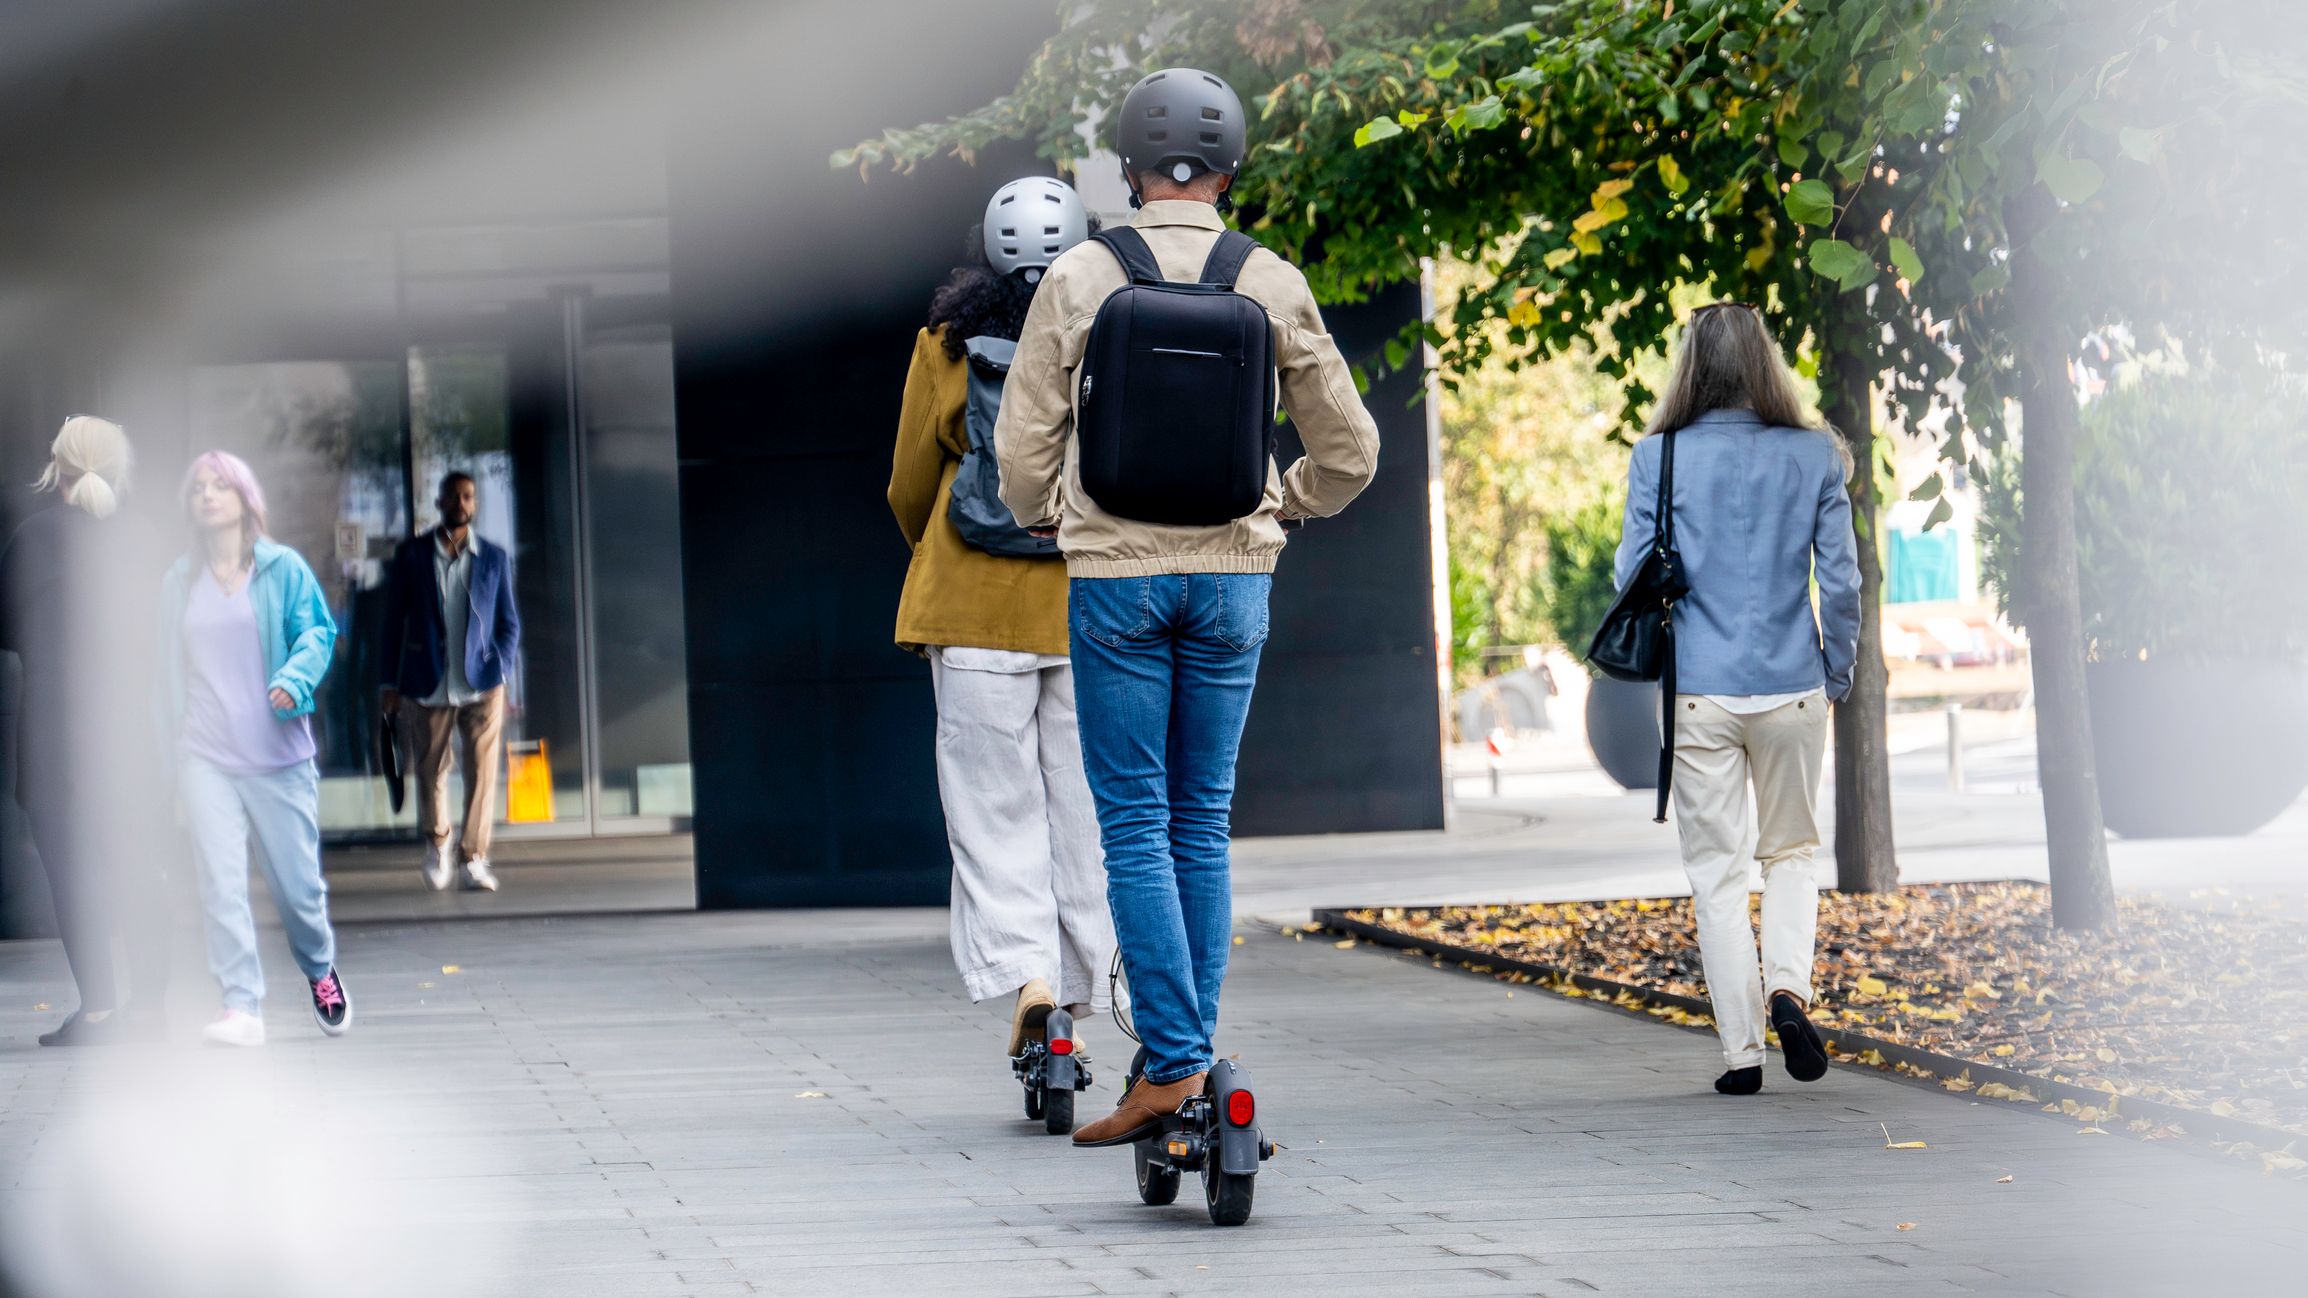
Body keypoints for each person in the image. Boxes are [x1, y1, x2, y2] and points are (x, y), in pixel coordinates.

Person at [996, 68, 1380, 1147]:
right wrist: (1286, 504)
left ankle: (1171, 1065)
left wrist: (1042, 514)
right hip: (1234, 578)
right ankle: (1189, 1053)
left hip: (1113, 578)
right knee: (1198, 815)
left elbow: (1023, 445)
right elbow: (1351, 451)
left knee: (1131, 819)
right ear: (1228, 169)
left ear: (1125, 170)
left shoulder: (1076, 273)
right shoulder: (1269, 277)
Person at [888, 178, 1117, 1065]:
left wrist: (936, 549)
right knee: (1086, 809)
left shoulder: (943, 345)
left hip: (971, 608)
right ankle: (1089, 990)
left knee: (992, 813)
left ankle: (1030, 983)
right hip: (1088, 604)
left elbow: (911, 482)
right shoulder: (1109, 331)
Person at [1611, 302, 1861, 1096]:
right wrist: (1837, 672)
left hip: (1699, 695)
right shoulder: (1816, 455)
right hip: (1793, 686)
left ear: (1689, 365)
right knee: (1790, 852)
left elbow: (1629, 580)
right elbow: (1844, 581)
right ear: (1766, 364)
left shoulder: (1660, 458)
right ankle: (1791, 986)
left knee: (1717, 873)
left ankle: (1743, 1054)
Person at [160, 450, 350, 1046]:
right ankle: (241, 1006)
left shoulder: (283, 569)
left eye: (220, 485)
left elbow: (318, 633)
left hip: (279, 758)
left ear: (245, 499)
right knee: (220, 883)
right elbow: (163, 675)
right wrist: (170, 764)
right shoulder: (178, 581)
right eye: (198, 488)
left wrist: (293, 680)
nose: (208, 495)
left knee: (298, 893)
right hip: (205, 756)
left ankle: (319, 969)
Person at [0, 416, 171, 1046]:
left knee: (74, 880)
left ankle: (98, 1012)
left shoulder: (33, 537)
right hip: (127, 734)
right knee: (139, 868)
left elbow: (6, 632)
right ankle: (151, 1011)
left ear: (58, 466)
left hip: (51, 738)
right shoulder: (145, 537)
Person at [378, 472, 522, 892]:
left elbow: (508, 623)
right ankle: (437, 843)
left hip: (482, 683)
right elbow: (392, 624)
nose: (461, 503)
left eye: (468, 496)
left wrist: (503, 667)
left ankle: (473, 857)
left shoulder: (494, 558)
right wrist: (388, 681)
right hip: (430, 682)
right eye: (454, 496)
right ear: (439, 501)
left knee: (482, 773)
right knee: (431, 769)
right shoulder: (413, 556)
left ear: (474, 504)